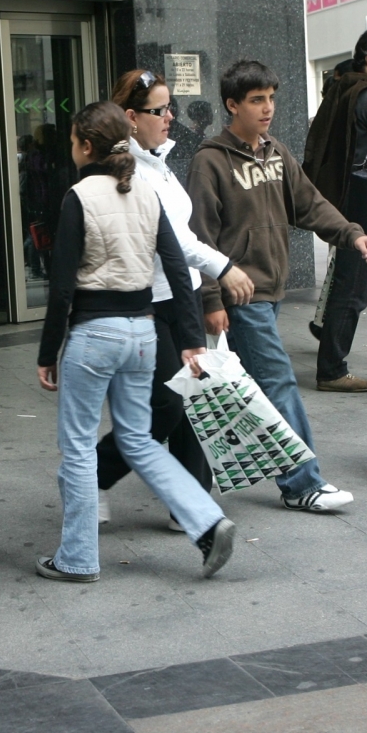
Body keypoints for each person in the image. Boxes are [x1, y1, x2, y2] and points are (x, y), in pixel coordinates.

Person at [36, 101, 236, 583]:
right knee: (139, 440)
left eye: (72, 141)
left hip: (94, 333)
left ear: (86, 145)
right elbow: (175, 264)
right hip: (142, 332)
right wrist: (190, 338)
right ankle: (207, 521)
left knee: (80, 446)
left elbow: (63, 285)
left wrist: (47, 353)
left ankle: (78, 557)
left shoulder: (78, 196)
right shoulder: (146, 192)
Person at [188, 60, 367, 513]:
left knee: (237, 391)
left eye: (272, 98)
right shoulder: (210, 161)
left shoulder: (276, 153)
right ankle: (302, 484)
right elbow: (198, 237)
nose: (268, 108)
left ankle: (186, 488)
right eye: (257, 100)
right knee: (277, 382)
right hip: (241, 294)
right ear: (232, 105)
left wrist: (352, 234)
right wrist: (212, 298)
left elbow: (310, 204)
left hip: (271, 293)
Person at [94, 70, 255, 533]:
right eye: (159, 110)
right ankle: (95, 478)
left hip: (176, 296)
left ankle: (190, 504)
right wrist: (224, 268)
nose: (169, 117)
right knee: (166, 405)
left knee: (192, 396)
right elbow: (176, 240)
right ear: (130, 117)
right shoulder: (126, 169)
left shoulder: (159, 161)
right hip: (147, 300)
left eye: (170, 108)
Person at [302, 26, 367, 392]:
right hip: (364, 202)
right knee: (354, 289)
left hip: (352, 200)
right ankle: (331, 369)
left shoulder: (350, 88)